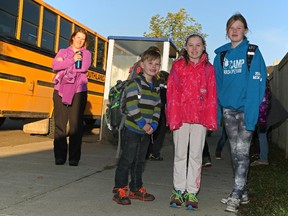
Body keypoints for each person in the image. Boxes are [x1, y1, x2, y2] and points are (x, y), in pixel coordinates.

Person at [213, 13, 267, 213]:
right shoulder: (220, 56)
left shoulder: (253, 53)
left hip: (246, 110)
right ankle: (242, 192)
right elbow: (217, 87)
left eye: (239, 27)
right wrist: (217, 114)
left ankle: (235, 195)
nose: (235, 31)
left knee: (242, 153)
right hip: (228, 110)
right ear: (227, 32)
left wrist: (253, 114)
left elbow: (258, 86)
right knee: (234, 153)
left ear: (245, 30)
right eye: (231, 27)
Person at [166, 34, 218, 209]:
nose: (194, 49)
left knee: (196, 156)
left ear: (203, 47)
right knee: (180, 154)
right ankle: (179, 190)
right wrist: (172, 116)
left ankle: (192, 192)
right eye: (191, 45)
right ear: (186, 47)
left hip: (200, 119)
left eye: (198, 45)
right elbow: (171, 93)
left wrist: (211, 118)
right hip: (181, 117)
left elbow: (212, 96)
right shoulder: (177, 66)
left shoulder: (209, 69)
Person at [112, 48, 161, 205]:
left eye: (157, 64)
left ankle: (136, 188)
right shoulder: (135, 83)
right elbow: (132, 106)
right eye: (150, 63)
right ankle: (119, 189)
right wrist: (143, 124)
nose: (153, 66)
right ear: (142, 64)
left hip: (146, 132)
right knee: (127, 159)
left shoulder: (156, 87)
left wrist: (153, 124)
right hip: (132, 130)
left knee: (140, 161)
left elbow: (158, 108)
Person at [52, 28, 91, 166]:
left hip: (79, 90)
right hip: (60, 89)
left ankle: (74, 158)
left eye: (83, 39)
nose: (80, 40)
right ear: (73, 37)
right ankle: (59, 157)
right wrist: (72, 60)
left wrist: (65, 63)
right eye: (78, 37)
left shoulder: (86, 54)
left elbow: (83, 68)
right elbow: (55, 66)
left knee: (75, 125)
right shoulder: (63, 51)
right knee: (60, 124)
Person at [148, 70, 169, 161]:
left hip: (150, 113)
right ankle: (155, 153)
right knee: (159, 135)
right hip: (161, 114)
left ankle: (146, 152)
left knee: (148, 134)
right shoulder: (166, 91)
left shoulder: (152, 88)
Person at [251, 79, 272, 166]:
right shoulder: (267, 91)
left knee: (262, 135)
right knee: (261, 136)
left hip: (261, 118)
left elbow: (261, 107)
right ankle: (262, 156)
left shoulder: (262, 92)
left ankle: (263, 158)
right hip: (264, 117)